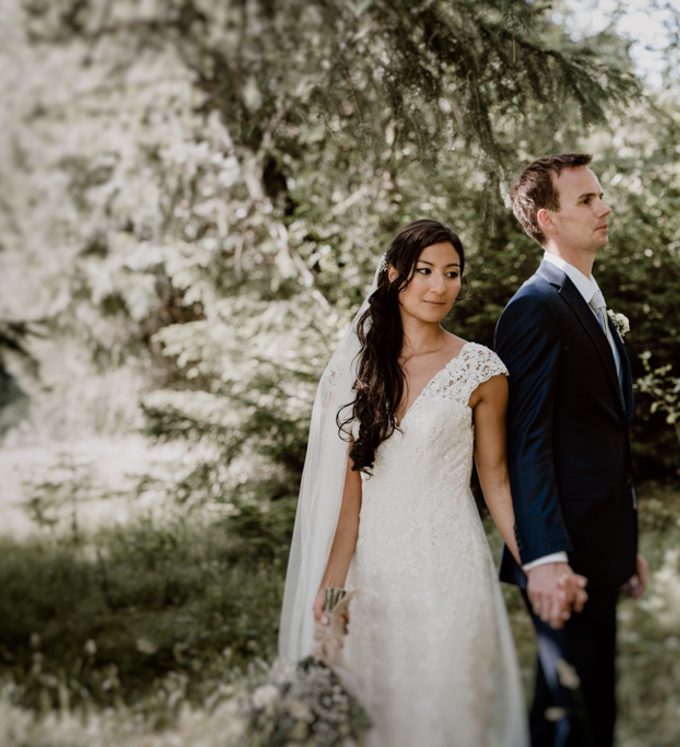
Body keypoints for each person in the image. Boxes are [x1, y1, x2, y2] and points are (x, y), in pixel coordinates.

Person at [278, 219, 529, 747]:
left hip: (451, 566)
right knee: (383, 714)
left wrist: (536, 562)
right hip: (374, 574)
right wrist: (333, 587)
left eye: (452, 273)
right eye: (425, 271)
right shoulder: (354, 372)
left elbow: (497, 480)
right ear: (394, 275)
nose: (440, 286)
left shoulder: (481, 369)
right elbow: (350, 499)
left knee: (451, 707)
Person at [495, 153, 650, 747]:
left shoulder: (589, 302)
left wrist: (624, 541)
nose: (604, 207)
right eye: (586, 200)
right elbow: (526, 443)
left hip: (598, 546)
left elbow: (599, 436)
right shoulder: (535, 308)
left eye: (601, 195)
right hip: (563, 557)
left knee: (573, 711)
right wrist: (545, 558)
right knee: (580, 718)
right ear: (548, 219)